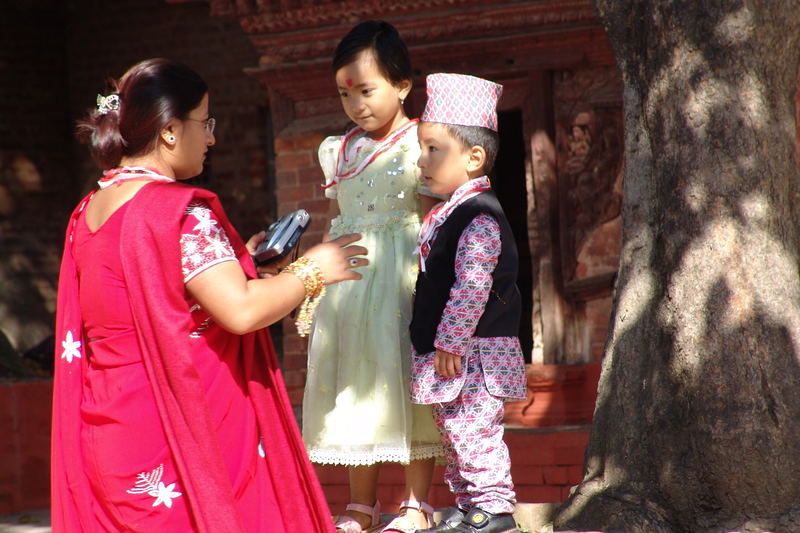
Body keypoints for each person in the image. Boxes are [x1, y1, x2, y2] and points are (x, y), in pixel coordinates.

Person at [52, 57, 367, 533]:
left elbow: (156, 297)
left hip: (113, 429)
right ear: (171, 129)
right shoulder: (177, 212)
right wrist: (312, 270)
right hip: (178, 431)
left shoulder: (88, 211)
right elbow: (239, 311)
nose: (212, 137)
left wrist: (245, 265)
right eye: (205, 122)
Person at [302, 20, 444, 533]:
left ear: (403, 84)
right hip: (351, 284)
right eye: (346, 93)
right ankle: (362, 503)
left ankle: (415, 501)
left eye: (367, 89)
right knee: (356, 381)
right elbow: (338, 220)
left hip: (404, 281)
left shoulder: (423, 143)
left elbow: (434, 216)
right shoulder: (338, 150)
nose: (357, 104)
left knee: (406, 381)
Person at [409, 73, 527, 533]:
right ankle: (468, 505)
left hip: (470, 353)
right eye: (422, 148)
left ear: (474, 157)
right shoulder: (451, 210)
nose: (422, 160)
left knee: (475, 431)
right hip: (454, 354)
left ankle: (494, 510)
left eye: (434, 149)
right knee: (454, 433)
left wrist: (451, 340)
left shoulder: (478, 215)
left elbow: (473, 284)